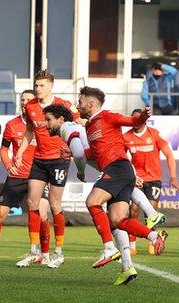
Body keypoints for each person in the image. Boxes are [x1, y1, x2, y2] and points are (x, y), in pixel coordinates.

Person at [73, 87, 168, 285]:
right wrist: (77, 154)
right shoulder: (90, 127)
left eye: (80, 101)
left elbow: (133, 122)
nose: (78, 104)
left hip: (118, 168)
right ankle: (152, 236)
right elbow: (97, 152)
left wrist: (142, 116)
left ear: (91, 104)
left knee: (92, 201)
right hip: (120, 171)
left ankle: (109, 248)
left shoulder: (107, 116)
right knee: (117, 220)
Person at [0, 90, 52, 265]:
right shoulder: (12, 125)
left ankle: (44, 255)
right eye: (22, 99)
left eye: (28, 99)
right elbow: (3, 149)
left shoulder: (45, 123)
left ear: (36, 102)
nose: (24, 102)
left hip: (38, 176)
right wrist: (9, 165)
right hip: (17, 176)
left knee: (42, 213)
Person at [14, 70, 78, 269]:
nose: (37, 89)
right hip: (39, 159)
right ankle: (34, 251)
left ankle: (58, 252)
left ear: (51, 86)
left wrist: (76, 150)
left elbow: (79, 126)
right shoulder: (31, 106)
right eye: (36, 85)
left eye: (41, 85)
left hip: (59, 159)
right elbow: (29, 132)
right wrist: (20, 152)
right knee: (32, 202)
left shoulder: (64, 106)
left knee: (54, 204)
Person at [123, 108, 178, 255]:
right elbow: (121, 157)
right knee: (133, 211)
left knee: (151, 215)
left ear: (144, 119)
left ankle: (154, 241)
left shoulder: (154, 134)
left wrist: (173, 177)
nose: (135, 121)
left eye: (138, 118)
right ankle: (131, 245)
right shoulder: (126, 137)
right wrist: (130, 176)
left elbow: (169, 154)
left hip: (154, 180)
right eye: (133, 119)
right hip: (136, 181)